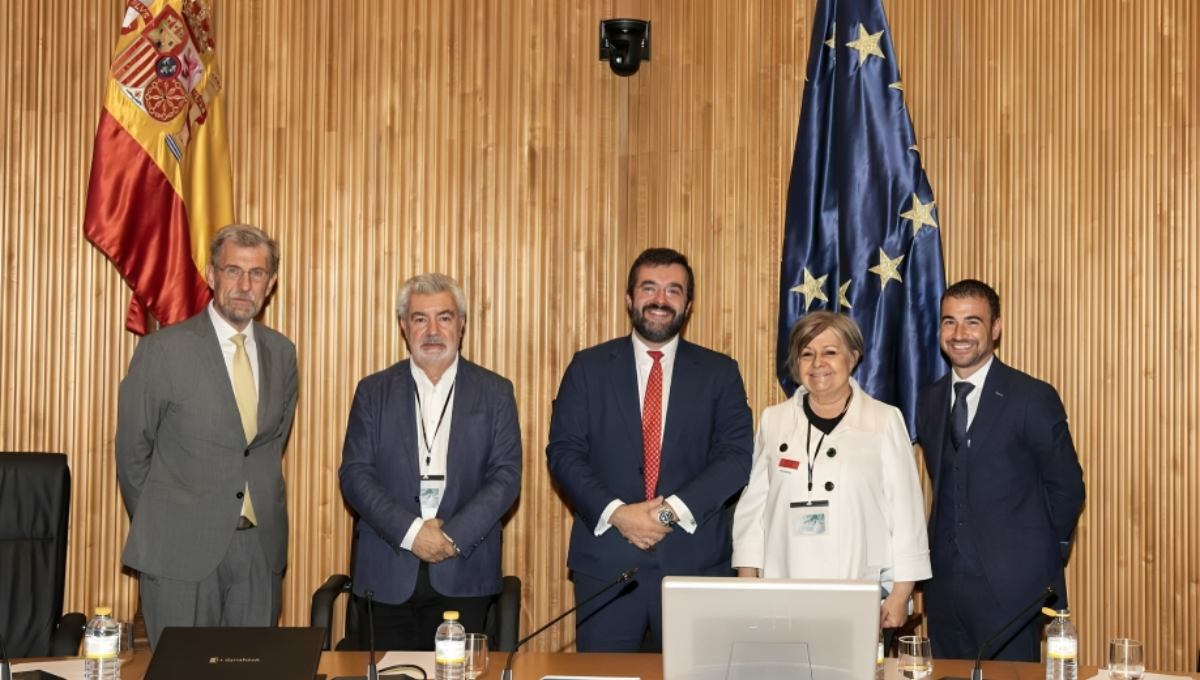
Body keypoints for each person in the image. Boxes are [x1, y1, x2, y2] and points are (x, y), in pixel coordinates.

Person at [546, 247, 754, 652]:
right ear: (629, 299)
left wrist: (666, 513)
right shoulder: (587, 368)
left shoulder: (720, 373)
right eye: (649, 288)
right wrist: (619, 515)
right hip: (606, 565)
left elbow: (735, 458)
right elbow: (564, 453)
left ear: (688, 305)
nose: (660, 300)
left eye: (673, 291)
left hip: (696, 566)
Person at [116, 224, 298, 650]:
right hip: (180, 552)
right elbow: (131, 454)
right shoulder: (163, 350)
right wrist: (167, 526)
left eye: (256, 274)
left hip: (259, 551)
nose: (243, 285)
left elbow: (266, 446)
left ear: (270, 284)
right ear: (211, 274)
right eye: (232, 270)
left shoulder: (282, 353)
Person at [339, 273, 522, 650]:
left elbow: (506, 477)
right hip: (388, 569)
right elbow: (356, 474)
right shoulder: (373, 392)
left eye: (445, 317)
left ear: (462, 323)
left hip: (464, 570)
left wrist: (452, 536)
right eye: (421, 319)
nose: (433, 330)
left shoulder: (496, 392)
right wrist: (412, 533)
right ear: (404, 326)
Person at [732, 311, 930, 639]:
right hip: (783, 587)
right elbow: (752, 511)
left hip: (857, 586)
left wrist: (900, 593)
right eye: (806, 354)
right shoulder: (774, 420)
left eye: (830, 352)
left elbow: (906, 513)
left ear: (853, 357)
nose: (817, 363)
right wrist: (748, 581)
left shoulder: (884, 420)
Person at [916, 279, 1085, 661]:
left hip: (1012, 591)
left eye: (972, 322)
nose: (959, 334)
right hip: (942, 589)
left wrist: (1034, 551)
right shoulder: (928, 400)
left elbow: (1067, 488)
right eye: (949, 322)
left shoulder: (1032, 396)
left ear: (995, 328)